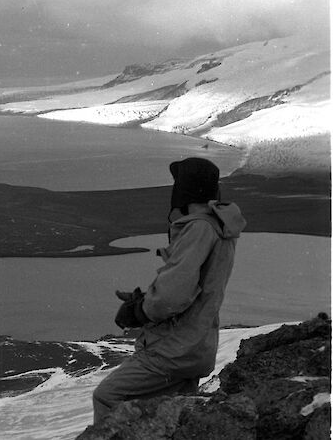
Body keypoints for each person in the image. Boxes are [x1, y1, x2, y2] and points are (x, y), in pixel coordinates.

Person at [92, 157, 247, 424]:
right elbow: (194, 287)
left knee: (108, 397)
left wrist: (140, 311)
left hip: (173, 350)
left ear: (186, 190)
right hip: (196, 345)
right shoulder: (218, 228)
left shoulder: (198, 228)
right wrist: (147, 299)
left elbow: (173, 295)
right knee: (171, 418)